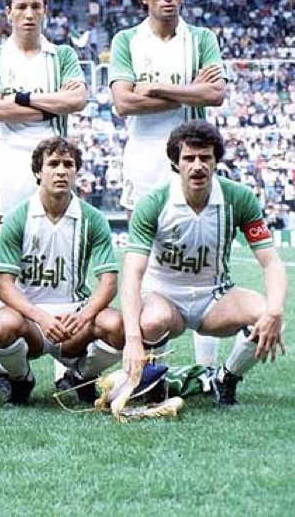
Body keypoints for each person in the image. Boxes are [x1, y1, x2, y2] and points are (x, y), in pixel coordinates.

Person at [109, 0, 227, 370]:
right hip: (143, 160)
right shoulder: (127, 40)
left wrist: (157, 86)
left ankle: (208, 369)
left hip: (193, 157)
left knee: (203, 255)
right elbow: (124, 102)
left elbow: (216, 95)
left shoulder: (201, 38)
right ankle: (149, 363)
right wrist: (189, 89)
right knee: (144, 262)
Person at [121, 122, 287, 408]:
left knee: (269, 317)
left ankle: (227, 377)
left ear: (216, 160)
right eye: (189, 158)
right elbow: (132, 275)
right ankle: (154, 384)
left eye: (205, 157)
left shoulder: (239, 197)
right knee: (151, 321)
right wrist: (133, 339)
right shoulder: (153, 202)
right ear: (175, 162)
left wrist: (274, 310)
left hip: (215, 297)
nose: (197, 166)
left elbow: (271, 262)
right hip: (163, 296)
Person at [0, 0, 87, 393]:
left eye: (35, 6)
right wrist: (45, 101)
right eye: (21, 6)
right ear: (8, 11)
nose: (28, 13)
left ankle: (68, 364)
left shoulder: (63, 55)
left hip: (54, 155)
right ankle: (8, 372)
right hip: (8, 161)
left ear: (45, 10)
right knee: (6, 263)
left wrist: (21, 100)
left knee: (62, 252)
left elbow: (76, 101)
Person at [0, 137, 124, 405]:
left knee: (116, 324)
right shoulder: (17, 217)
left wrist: (84, 316)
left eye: (68, 164)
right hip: (31, 320)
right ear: (39, 172)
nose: (61, 170)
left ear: (76, 172)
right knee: (1, 325)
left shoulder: (92, 218)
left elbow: (108, 282)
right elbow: (3, 284)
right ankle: (21, 380)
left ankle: (82, 376)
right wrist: (41, 317)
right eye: (53, 164)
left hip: (74, 318)